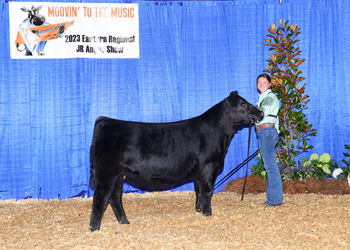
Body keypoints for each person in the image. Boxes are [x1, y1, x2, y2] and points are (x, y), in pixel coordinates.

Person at [255, 73, 283, 206]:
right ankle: (273, 198)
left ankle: (275, 199)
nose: (261, 85)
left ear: (270, 84)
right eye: (259, 83)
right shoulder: (265, 97)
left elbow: (263, 111)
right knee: (270, 165)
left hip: (266, 131)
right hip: (266, 131)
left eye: (264, 82)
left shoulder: (269, 98)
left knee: (270, 166)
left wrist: (251, 112)